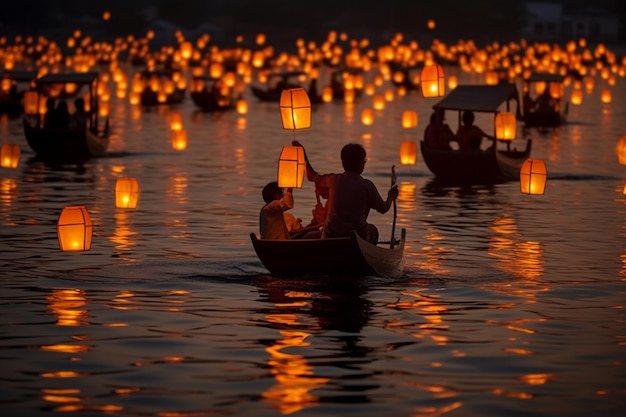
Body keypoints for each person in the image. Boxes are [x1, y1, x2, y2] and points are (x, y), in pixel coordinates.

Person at [293, 140, 398, 245]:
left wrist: (303, 152)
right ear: (362, 163)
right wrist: (390, 197)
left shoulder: (333, 180)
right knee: (373, 230)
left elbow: (311, 176)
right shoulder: (366, 185)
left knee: (307, 237)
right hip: (356, 238)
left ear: (343, 162)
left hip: (330, 236)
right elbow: (384, 208)